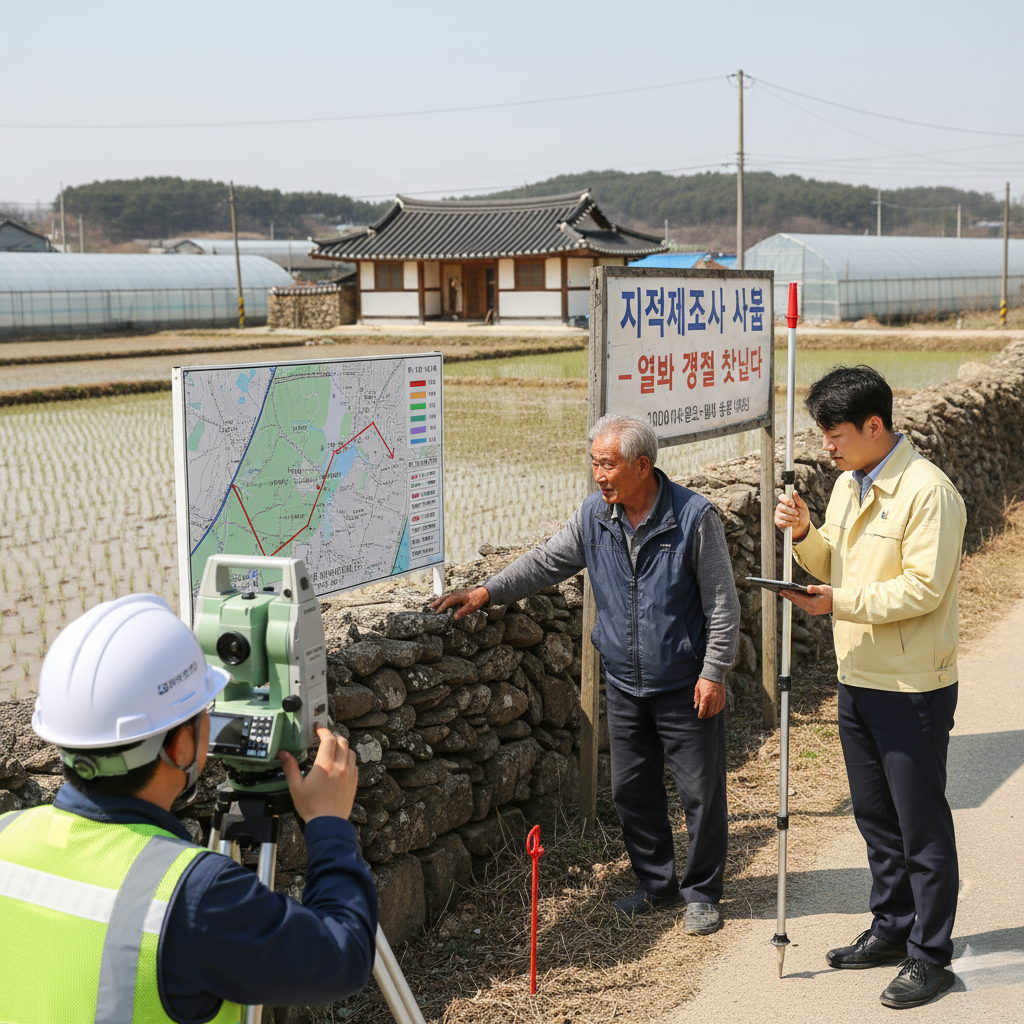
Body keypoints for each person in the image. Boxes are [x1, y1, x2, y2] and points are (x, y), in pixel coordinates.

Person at [0, 593, 378, 1024]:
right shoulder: (195, 892)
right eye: (204, 710)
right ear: (180, 745)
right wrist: (328, 824)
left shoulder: (6, 835)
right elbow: (342, 958)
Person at [432, 414, 739, 935]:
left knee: (701, 791)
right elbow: (547, 561)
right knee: (630, 789)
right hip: (624, 682)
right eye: (594, 462)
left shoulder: (694, 518)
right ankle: (656, 884)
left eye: (607, 463)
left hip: (684, 682)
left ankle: (702, 892)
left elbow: (723, 604)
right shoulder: (596, 517)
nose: (598, 474)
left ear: (642, 465)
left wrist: (714, 672)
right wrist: (486, 591)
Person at [774, 365, 965, 1010]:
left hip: (911, 684)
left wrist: (839, 601)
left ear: (874, 425)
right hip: (856, 677)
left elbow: (922, 588)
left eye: (834, 433)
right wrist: (805, 535)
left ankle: (930, 953)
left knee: (921, 825)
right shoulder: (851, 485)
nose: (826, 445)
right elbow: (836, 561)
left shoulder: (927, 492)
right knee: (877, 819)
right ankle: (891, 928)